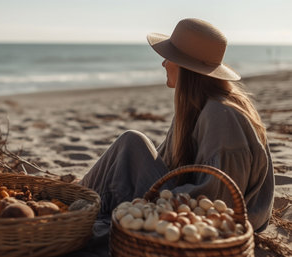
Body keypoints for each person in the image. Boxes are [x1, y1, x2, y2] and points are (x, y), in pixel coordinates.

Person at [74, 17, 274, 256]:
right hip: (189, 205)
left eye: (169, 57)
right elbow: (167, 166)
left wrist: (140, 205)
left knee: (131, 143)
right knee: (130, 146)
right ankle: (77, 207)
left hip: (210, 223)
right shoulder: (197, 108)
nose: (163, 63)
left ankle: (73, 212)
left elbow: (218, 203)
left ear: (185, 68)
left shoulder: (221, 117)